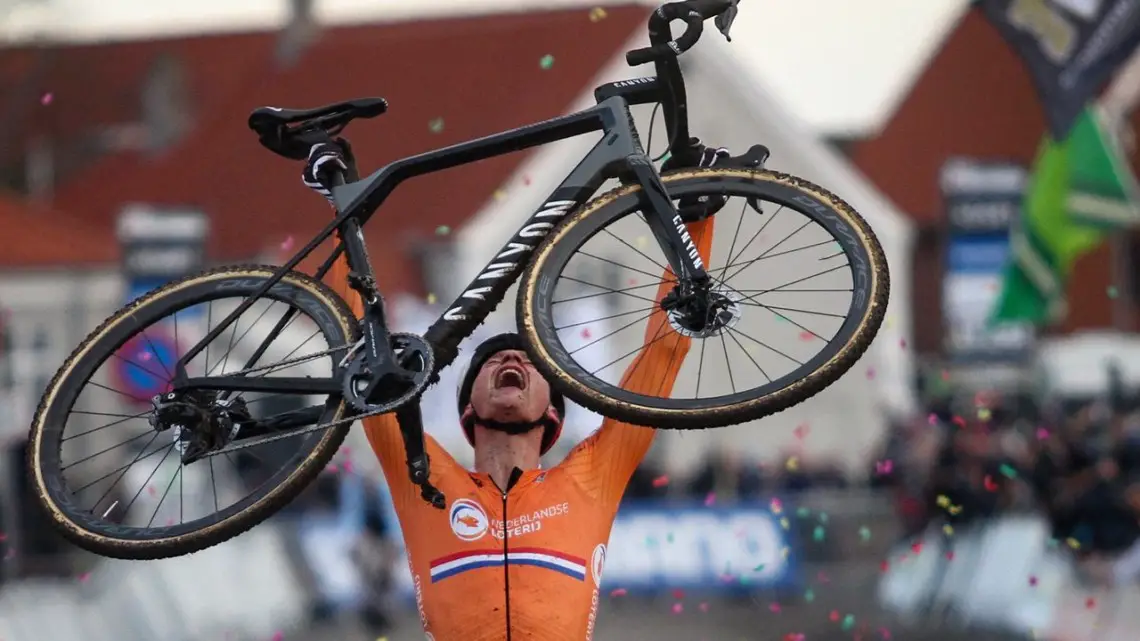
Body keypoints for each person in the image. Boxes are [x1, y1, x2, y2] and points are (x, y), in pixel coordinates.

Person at [302, 138, 744, 640]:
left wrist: (695, 221)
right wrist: (341, 204)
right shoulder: (423, 482)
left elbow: (661, 355)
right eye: (492, 362)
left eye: (530, 364)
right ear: (468, 409)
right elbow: (363, 356)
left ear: (553, 414)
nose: (513, 358)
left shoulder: (594, 476)